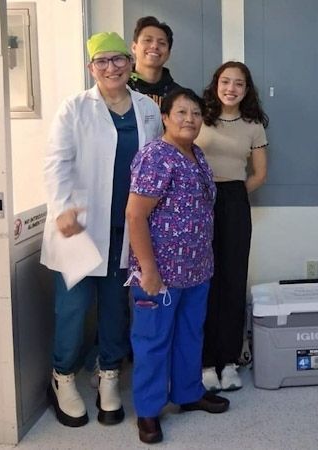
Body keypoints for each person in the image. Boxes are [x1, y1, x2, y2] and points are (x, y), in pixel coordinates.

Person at [41, 32, 163, 427]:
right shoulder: (74, 108)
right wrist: (62, 209)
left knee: (115, 310)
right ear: (91, 68)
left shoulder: (147, 108)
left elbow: (154, 164)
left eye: (118, 59)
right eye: (102, 61)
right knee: (73, 309)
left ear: (129, 62)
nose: (111, 68)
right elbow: (56, 163)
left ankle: (108, 374)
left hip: (125, 230)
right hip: (78, 228)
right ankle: (62, 377)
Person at [126, 87, 229, 445]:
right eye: (182, 112)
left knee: (190, 335)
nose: (190, 119)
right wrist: (149, 270)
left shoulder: (196, 154)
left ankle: (188, 393)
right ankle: (148, 410)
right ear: (165, 118)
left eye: (196, 113)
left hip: (197, 269)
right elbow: (135, 215)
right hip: (161, 274)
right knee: (153, 341)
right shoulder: (156, 156)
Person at [195, 61, 268, 392]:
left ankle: (229, 361)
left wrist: (232, 196)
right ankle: (206, 362)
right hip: (197, 202)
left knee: (233, 280)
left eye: (239, 83)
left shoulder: (254, 125)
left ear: (246, 89)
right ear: (216, 84)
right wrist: (207, 196)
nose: (231, 88)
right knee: (203, 281)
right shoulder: (199, 117)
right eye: (226, 81)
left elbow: (259, 174)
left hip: (235, 202)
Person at [128, 16, 182, 105]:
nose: (155, 46)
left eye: (162, 43)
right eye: (148, 40)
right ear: (134, 47)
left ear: (168, 53)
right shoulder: (120, 88)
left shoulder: (179, 95)